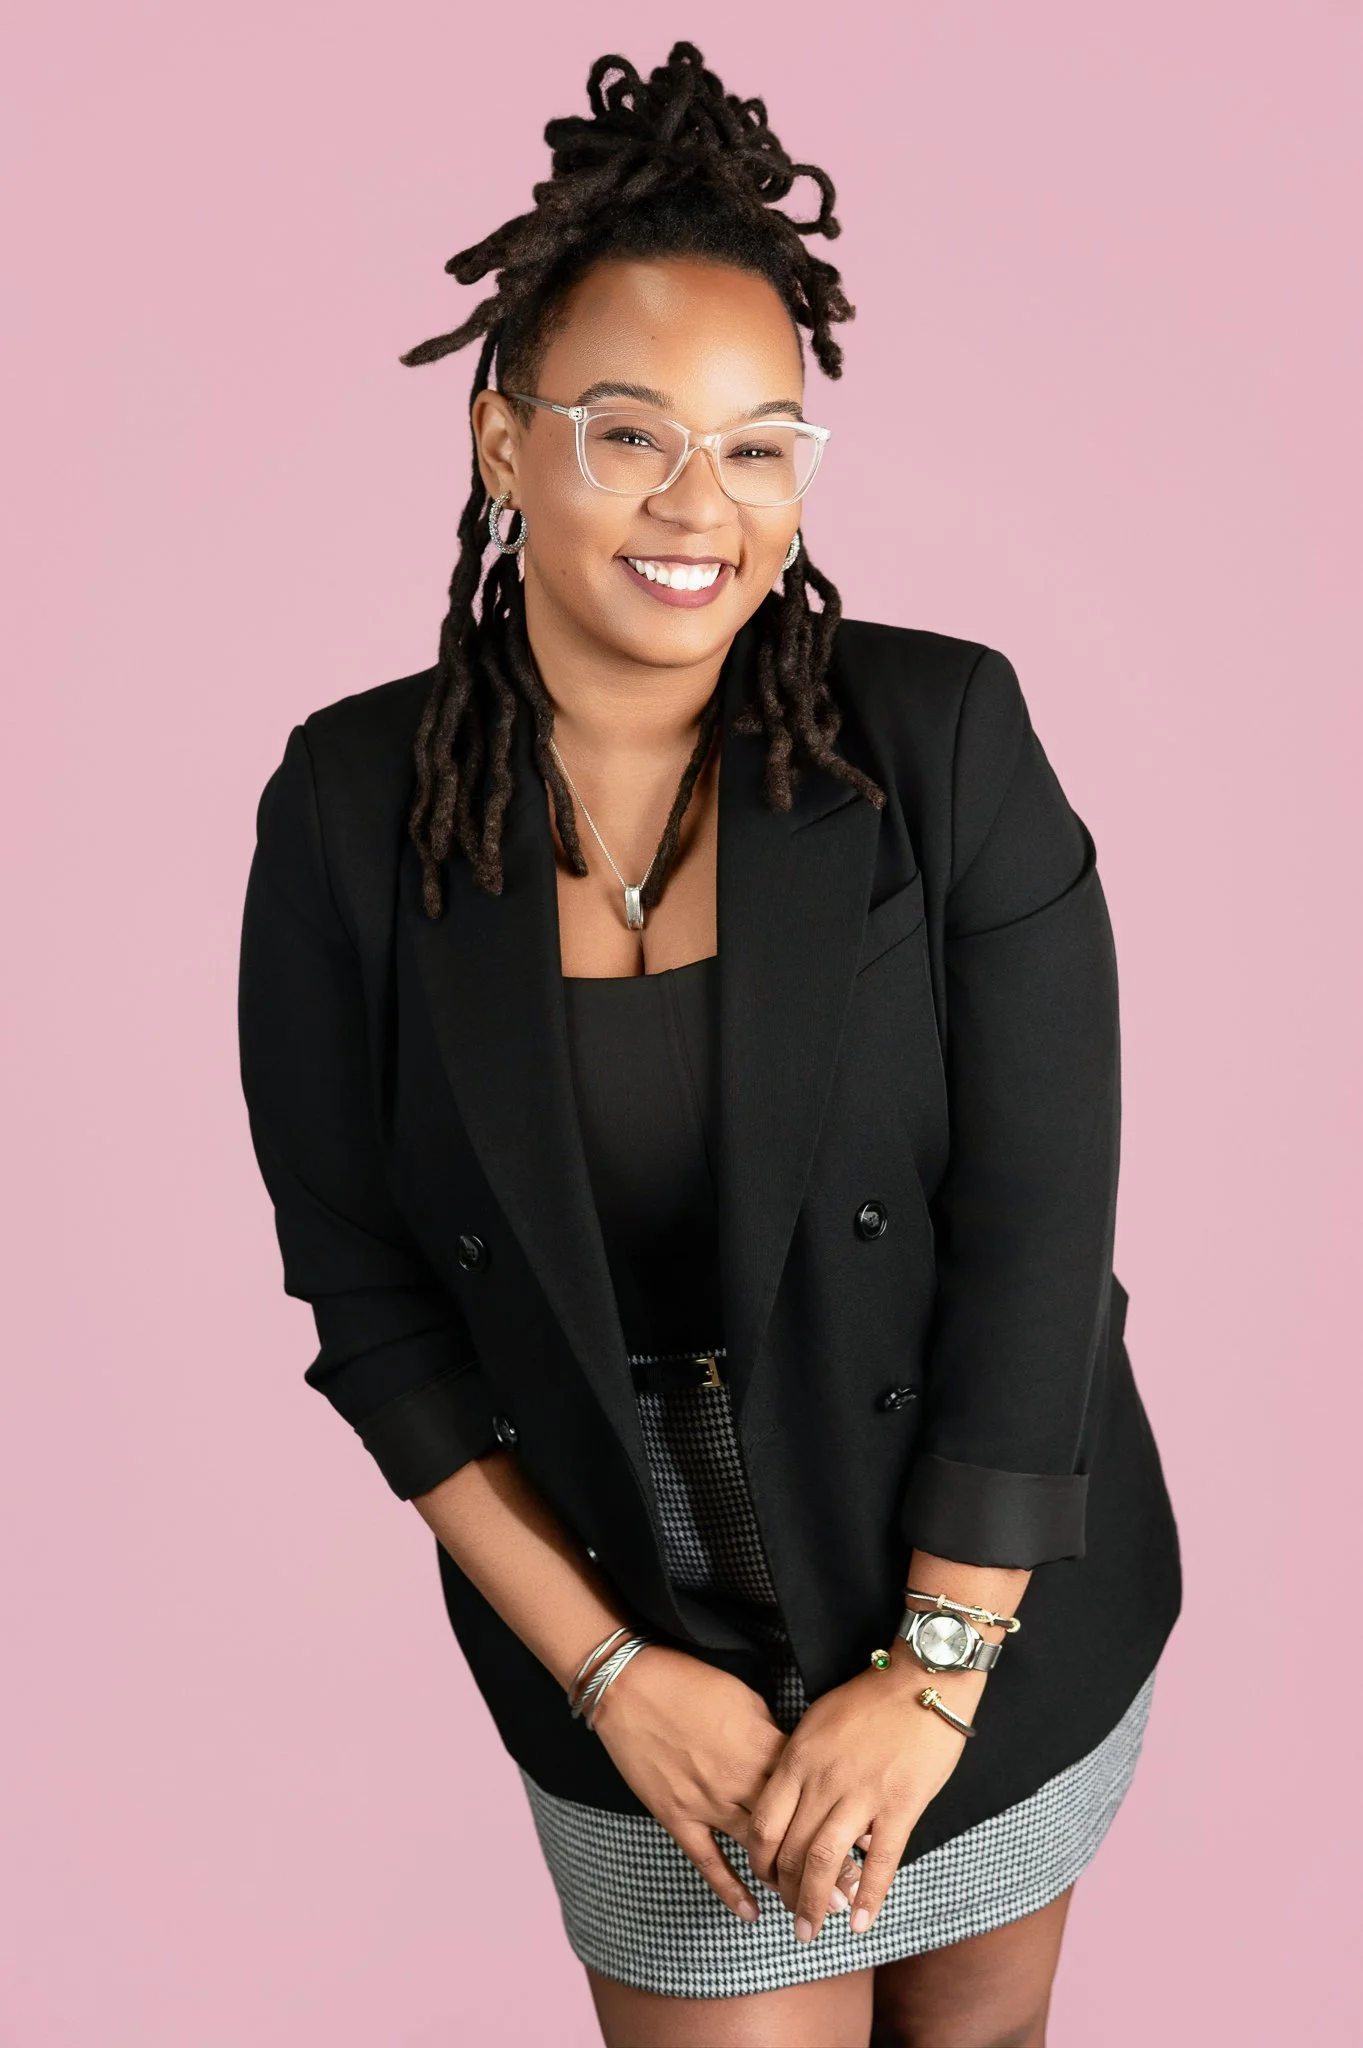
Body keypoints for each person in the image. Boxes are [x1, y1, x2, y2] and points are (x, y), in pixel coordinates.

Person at [237, 41, 1182, 2048]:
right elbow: (375, 1305)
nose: (705, 507)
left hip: (984, 1615)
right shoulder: (347, 807)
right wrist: (604, 1675)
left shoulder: (939, 747)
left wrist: (931, 1673)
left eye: (763, 445)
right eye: (633, 433)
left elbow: (1037, 1239)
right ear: (505, 445)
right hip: (635, 1660)